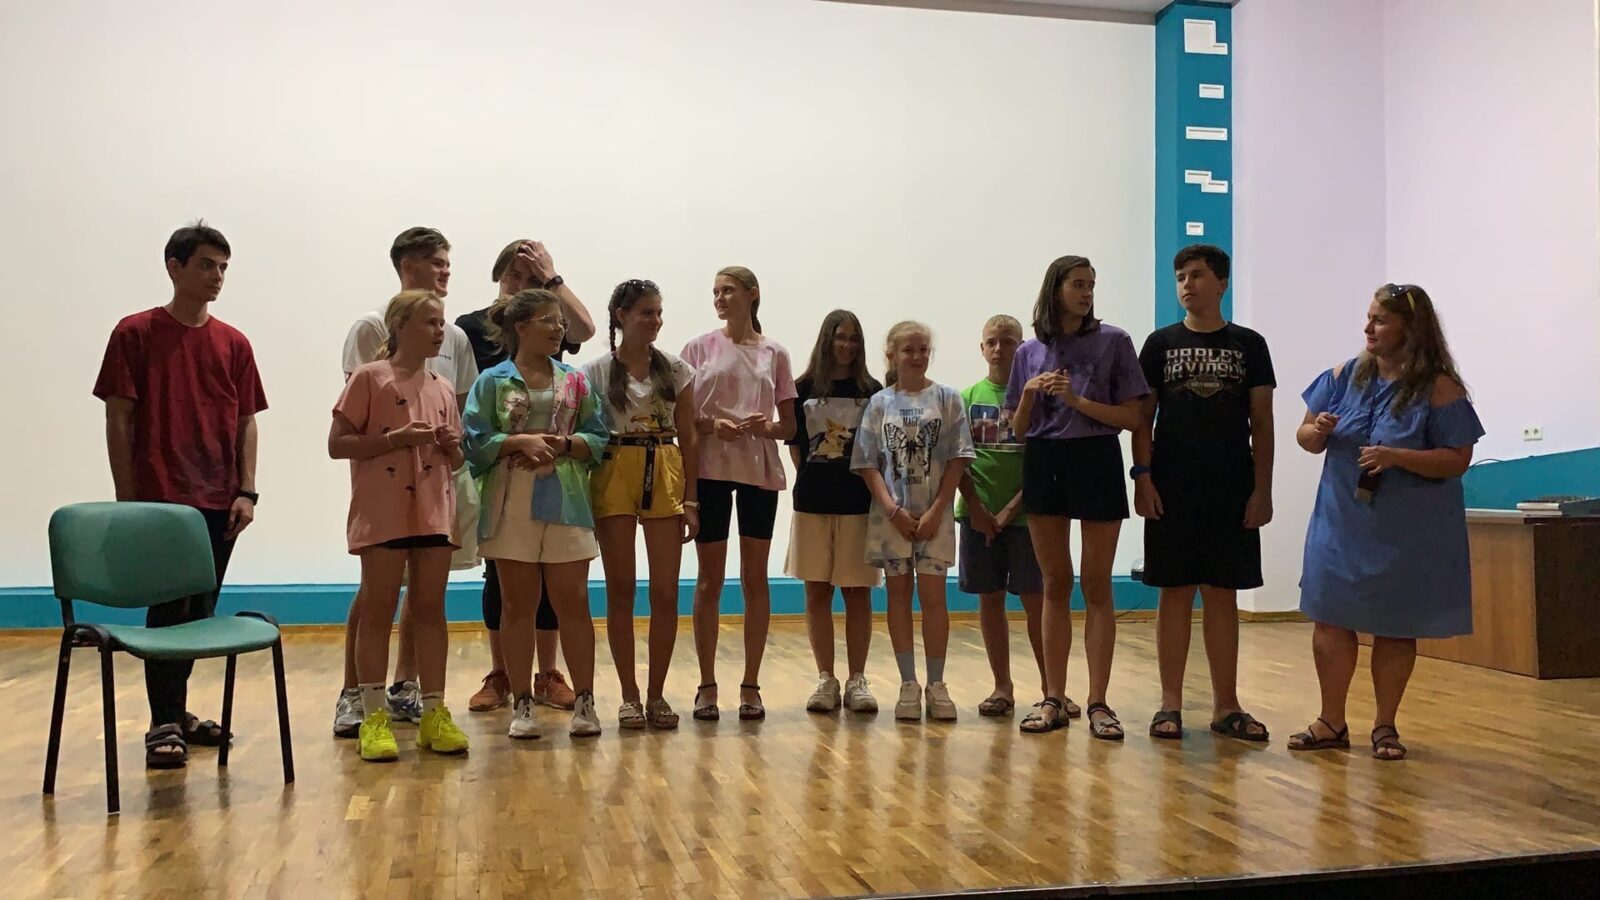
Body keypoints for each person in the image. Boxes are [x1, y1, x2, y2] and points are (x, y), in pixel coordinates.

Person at [95, 221, 266, 769]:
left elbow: (246, 421)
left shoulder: (234, 343)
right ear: (175, 267)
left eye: (223, 267)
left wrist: (247, 490)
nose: (217, 276)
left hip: (220, 500)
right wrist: (129, 498)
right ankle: (164, 721)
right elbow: (118, 417)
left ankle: (176, 712)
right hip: (161, 501)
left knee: (199, 614)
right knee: (169, 614)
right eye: (206, 265)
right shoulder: (135, 333)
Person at [1289, 284, 1482, 761]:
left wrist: (1399, 457)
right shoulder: (1342, 375)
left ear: (1409, 329)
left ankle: (1385, 725)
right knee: (1330, 618)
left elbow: (1457, 459)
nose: (1368, 328)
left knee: (1395, 626)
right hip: (1341, 522)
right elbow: (1305, 436)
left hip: (1406, 531)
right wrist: (1317, 431)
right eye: (1369, 317)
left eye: (1380, 320)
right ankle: (1330, 721)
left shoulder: (1439, 388)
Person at [332, 227, 479, 738]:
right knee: (377, 601)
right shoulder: (369, 357)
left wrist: (451, 445)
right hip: (384, 502)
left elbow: (458, 439)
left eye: (440, 323)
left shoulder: (445, 375)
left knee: (428, 605)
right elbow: (344, 436)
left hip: (434, 505)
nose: (440, 331)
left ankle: (422, 698)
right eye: (436, 261)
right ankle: (361, 701)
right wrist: (397, 438)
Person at [1133, 244, 1275, 742]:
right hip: (1171, 486)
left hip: (1231, 487)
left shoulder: (1250, 345)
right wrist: (1142, 478)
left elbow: (1263, 422)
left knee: (1222, 593)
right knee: (1174, 593)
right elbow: (1142, 419)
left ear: (1221, 283)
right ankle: (1169, 704)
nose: (1186, 285)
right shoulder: (1159, 344)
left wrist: (1263, 490)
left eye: (1196, 275)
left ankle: (1226, 706)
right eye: (1180, 277)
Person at [1005, 258, 1148, 739]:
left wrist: (1077, 401)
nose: (1087, 293)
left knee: (1097, 584)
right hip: (1045, 459)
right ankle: (1053, 697)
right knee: (1055, 583)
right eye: (1078, 285)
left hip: (1096, 457)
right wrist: (1029, 393)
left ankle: (1099, 702)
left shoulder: (1115, 341)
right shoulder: (1028, 351)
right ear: (1055, 290)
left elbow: (1132, 418)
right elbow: (1017, 429)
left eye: (1091, 286)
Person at [457, 240, 595, 714]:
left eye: (531, 278)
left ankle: (551, 675)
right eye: (513, 275)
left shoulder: (569, 367)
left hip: (561, 492)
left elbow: (596, 433)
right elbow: (473, 427)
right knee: (504, 586)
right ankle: (505, 677)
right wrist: (514, 443)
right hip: (505, 487)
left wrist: (566, 445)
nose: (557, 329)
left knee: (563, 592)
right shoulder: (473, 333)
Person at [680, 266, 797, 721]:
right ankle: (706, 684)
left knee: (755, 578)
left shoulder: (775, 353)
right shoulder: (697, 348)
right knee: (709, 579)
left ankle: (751, 684)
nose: (720, 298)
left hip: (757, 473)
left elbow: (788, 427)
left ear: (752, 294)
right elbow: (683, 418)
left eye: (728, 290)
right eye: (715, 292)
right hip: (709, 472)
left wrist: (764, 427)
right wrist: (713, 425)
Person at [582, 279, 698, 729]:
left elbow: (689, 435)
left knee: (665, 592)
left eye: (658, 313)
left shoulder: (677, 370)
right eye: (646, 312)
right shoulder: (595, 372)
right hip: (614, 470)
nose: (655, 320)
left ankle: (657, 694)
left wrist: (692, 498)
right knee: (621, 589)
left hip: (664, 469)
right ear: (622, 316)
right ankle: (629, 694)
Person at [851, 321, 975, 722]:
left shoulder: (947, 398)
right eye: (909, 350)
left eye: (923, 349)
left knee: (935, 599)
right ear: (891, 355)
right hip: (893, 519)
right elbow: (868, 464)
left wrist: (938, 509)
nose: (917, 356)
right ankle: (908, 683)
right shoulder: (879, 403)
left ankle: (936, 683)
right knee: (898, 597)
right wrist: (893, 510)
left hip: (935, 518)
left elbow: (957, 460)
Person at [955, 315, 1054, 720]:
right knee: (990, 600)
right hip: (977, 518)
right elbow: (956, 462)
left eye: (1009, 341)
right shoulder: (965, 398)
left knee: (1036, 602)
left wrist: (1014, 507)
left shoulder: (1036, 398)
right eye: (992, 342)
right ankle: (1002, 687)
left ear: (1023, 347)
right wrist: (979, 510)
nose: (1000, 349)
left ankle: (1052, 691)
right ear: (982, 348)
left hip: (1028, 519)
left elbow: (1044, 460)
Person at [785, 310, 884, 714]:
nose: (847, 345)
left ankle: (857, 679)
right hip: (812, 503)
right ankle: (825, 678)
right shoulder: (802, 389)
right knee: (817, 592)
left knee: (858, 593)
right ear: (827, 340)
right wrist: (815, 477)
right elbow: (796, 446)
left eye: (854, 338)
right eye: (840, 337)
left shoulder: (872, 391)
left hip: (858, 505)